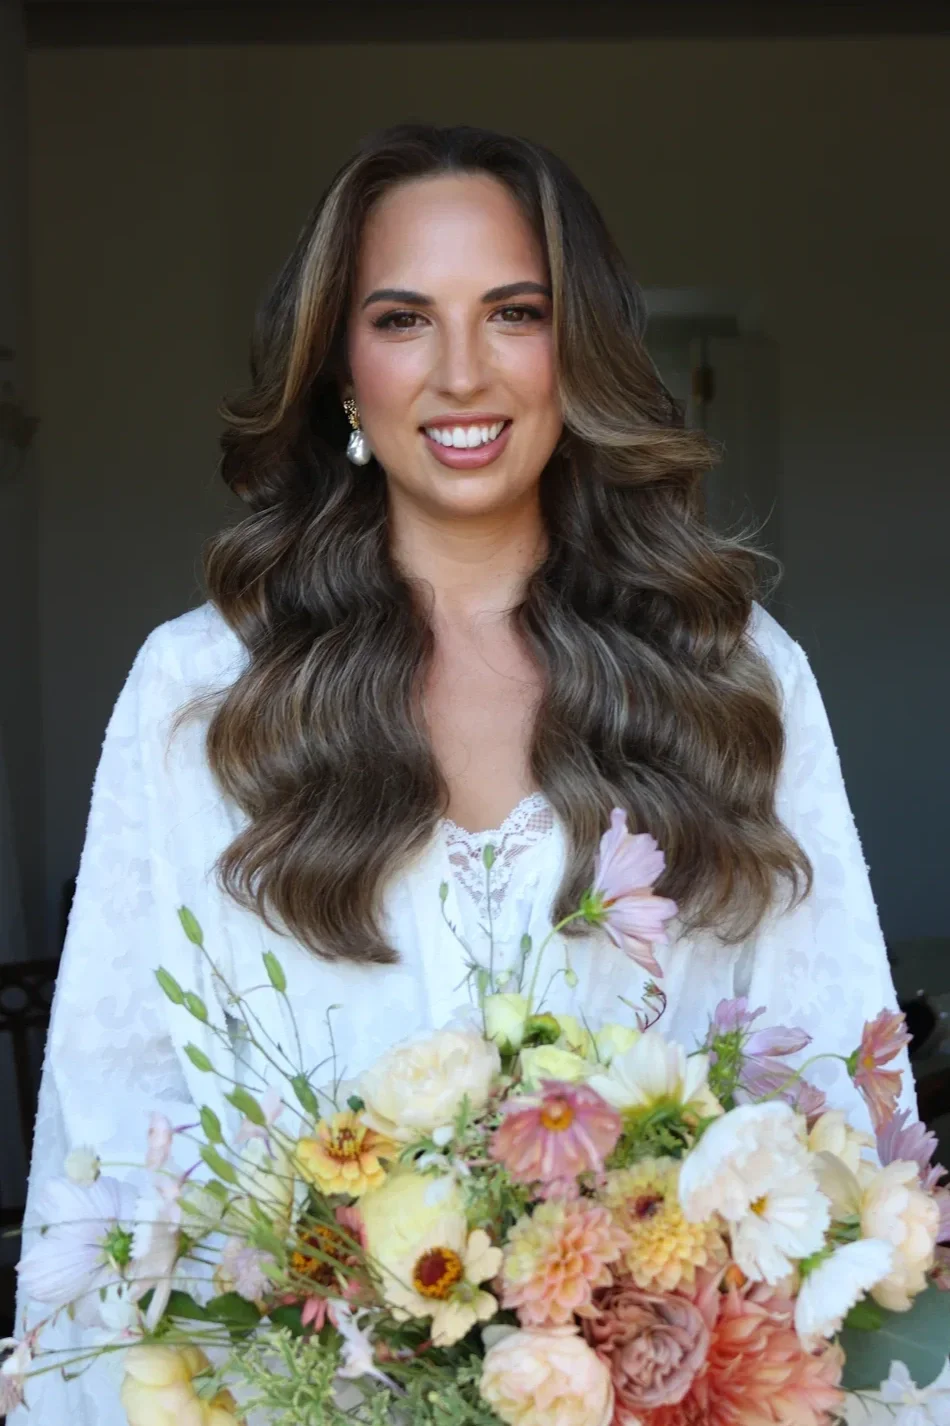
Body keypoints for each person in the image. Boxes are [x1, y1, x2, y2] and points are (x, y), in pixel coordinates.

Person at [12, 122, 912, 1423]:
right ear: (337, 369)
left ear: (582, 348)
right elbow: (110, 1127)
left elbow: (831, 1092)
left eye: (512, 312)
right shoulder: (203, 692)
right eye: (400, 318)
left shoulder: (733, 674)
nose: (459, 373)